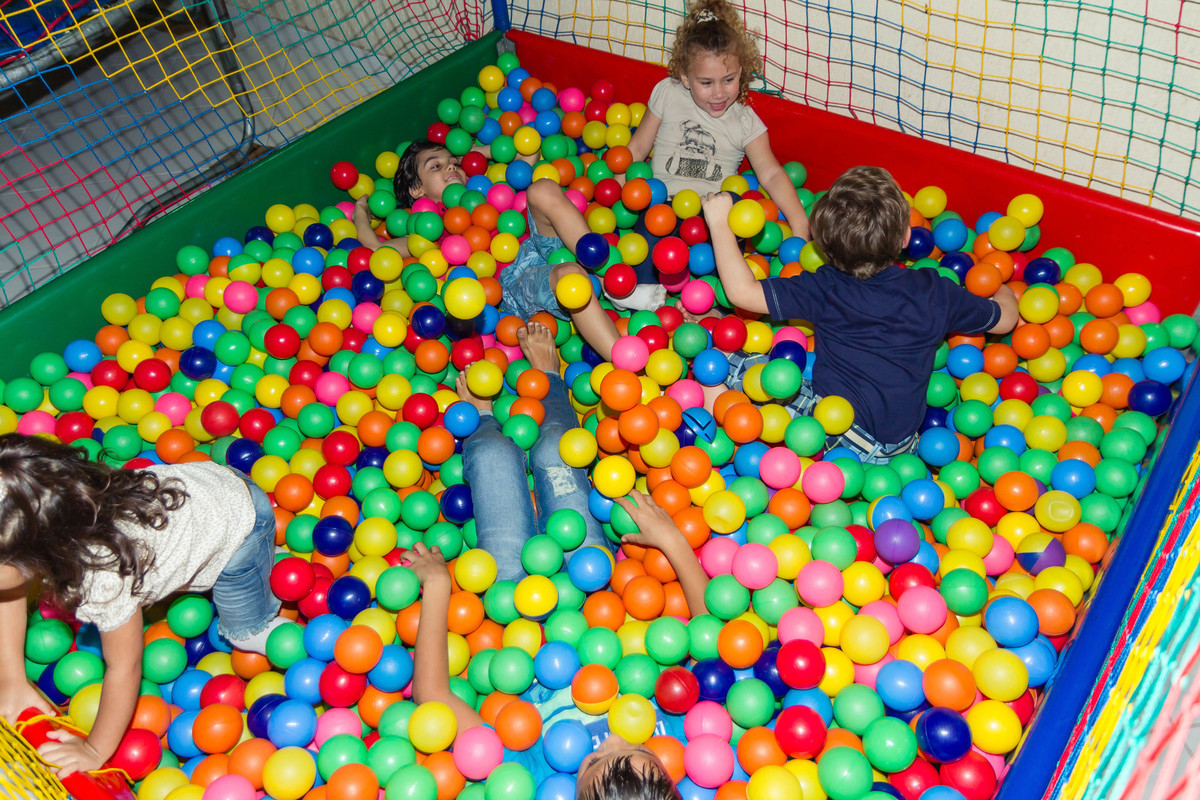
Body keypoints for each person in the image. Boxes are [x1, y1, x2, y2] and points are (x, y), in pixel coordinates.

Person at [505, 0, 811, 360]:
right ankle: (634, 296)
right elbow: (636, 149)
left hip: (711, 218)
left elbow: (771, 172)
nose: (719, 92)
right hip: (658, 207)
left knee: (728, 247)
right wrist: (616, 192)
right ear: (685, 77)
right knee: (641, 258)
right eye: (706, 82)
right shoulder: (667, 93)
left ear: (742, 72)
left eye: (729, 80)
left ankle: (707, 312)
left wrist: (800, 228)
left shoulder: (745, 121)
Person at [0, 435, 285, 776]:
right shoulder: (61, 507)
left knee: (244, 634)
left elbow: (125, 668)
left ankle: (268, 571)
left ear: (38, 553)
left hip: (244, 524)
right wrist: (12, 679)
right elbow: (8, 591)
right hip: (210, 484)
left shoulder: (102, 575)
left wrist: (93, 750)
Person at [699, 165, 1019, 463]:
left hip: (834, 433)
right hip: (903, 448)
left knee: (715, 360)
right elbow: (1005, 320)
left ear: (822, 244)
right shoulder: (935, 292)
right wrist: (1003, 290)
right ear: (906, 237)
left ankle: (718, 437)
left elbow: (741, 293)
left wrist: (719, 224)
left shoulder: (824, 288)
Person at [403, 486, 705, 800]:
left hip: (514, 606)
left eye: (594, 760)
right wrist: (672, 540)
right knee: (562, 469)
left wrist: (437, 585)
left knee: (494, 470)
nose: (614, 739)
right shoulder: (680, 735)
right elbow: (711, 643)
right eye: (640, 746)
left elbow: (433, 696)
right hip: (593, 587)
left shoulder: (530, 778)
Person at [454, 321, 610, 582]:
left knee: (491, 454)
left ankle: (481, 417)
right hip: (591, 577)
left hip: (515, 598)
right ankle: (547, 379)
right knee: (556, 446)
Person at [352, 139, 466, 255]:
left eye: (456, 163)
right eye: (436, 166)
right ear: (417, 189)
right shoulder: (424, 230)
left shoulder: (477, 196)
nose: (451, 166)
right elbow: (376, 249)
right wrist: (360, 212)